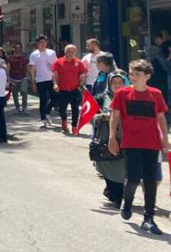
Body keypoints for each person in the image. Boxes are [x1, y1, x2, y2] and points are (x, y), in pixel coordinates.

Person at [108, 60, 170, 235]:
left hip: (151, 143)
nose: (132, 77)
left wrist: (165, 139)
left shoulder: (156, 94)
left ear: (147, 76)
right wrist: (112, 138)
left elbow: (161, 118)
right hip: (131, 142)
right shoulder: (122, 94)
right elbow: (115, 116)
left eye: (136, 74)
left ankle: (148, 218)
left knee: (151, 181)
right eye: (131, 74)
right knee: (133, 178)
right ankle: (127, 202)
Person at [93, 69, 128, 207]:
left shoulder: (131, 96)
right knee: (108, 164)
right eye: (114, 83)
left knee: (123, 167)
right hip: (106, 138)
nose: (117, 85)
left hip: (126, 138)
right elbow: (90, 116)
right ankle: (113, 191)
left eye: (120, 82)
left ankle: (120, 194)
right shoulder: (101, 98)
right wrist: (99, 117)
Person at [52, 44, 88, 135]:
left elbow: (83, 74)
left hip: (74, 89)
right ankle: (64, 121)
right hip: (62, 89)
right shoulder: (58, 62)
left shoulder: (79, 63)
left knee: (75, 109)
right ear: (65, 52)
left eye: (72, 52)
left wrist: (82, 82)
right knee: (62, 109)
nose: (70, 54)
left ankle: (74, 126)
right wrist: (55, 84)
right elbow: (55, 74)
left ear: (75, 53)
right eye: (68, 51)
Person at [29, 35, 57, 129]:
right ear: (37, 43)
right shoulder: (34, 54)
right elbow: (32, 69)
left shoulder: (51, 53)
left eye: (44, 42)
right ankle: (43, 119)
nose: (43, 44)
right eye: (41, 42)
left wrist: (57, 79)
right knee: (43, 99)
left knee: (55, 98)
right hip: (40, 79)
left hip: (51, 78)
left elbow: (55, 66)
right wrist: (33, 82)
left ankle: (47, 112)